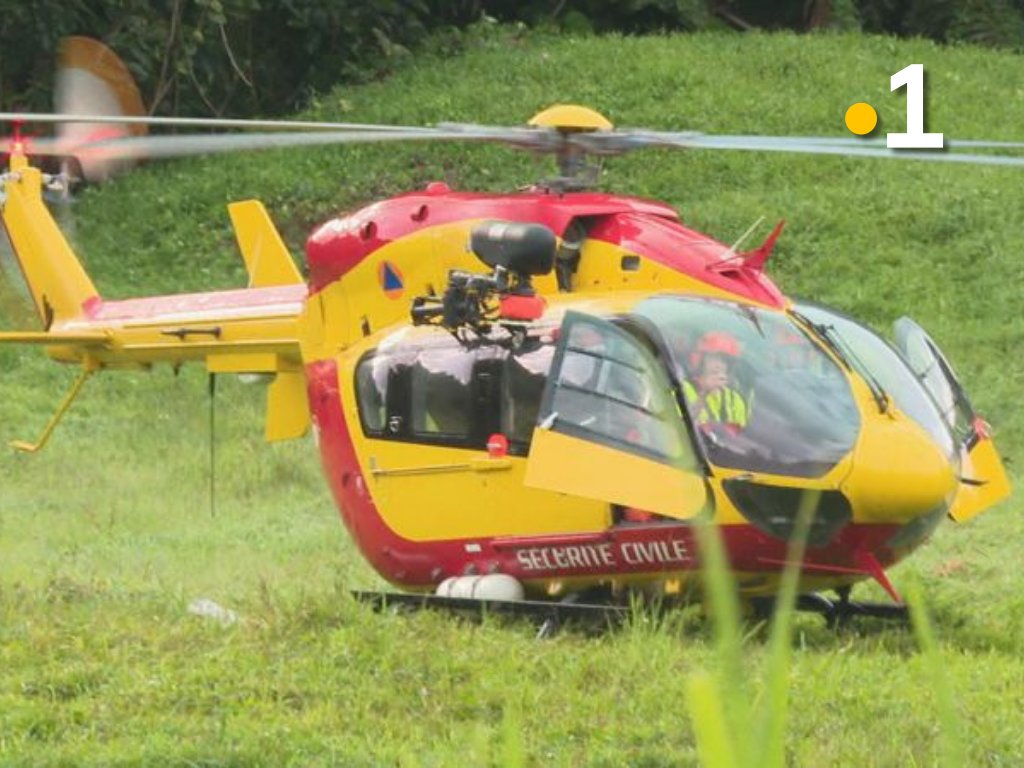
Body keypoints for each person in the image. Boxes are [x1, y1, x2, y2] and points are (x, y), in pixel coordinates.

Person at [682, 330, 749, 432]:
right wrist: (704, 394)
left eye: (725, 361)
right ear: (702, 359)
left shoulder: (735, 400)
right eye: (714, 357)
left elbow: (738, 437)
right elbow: (679, 425)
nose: (719, 365)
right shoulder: (683, 388)